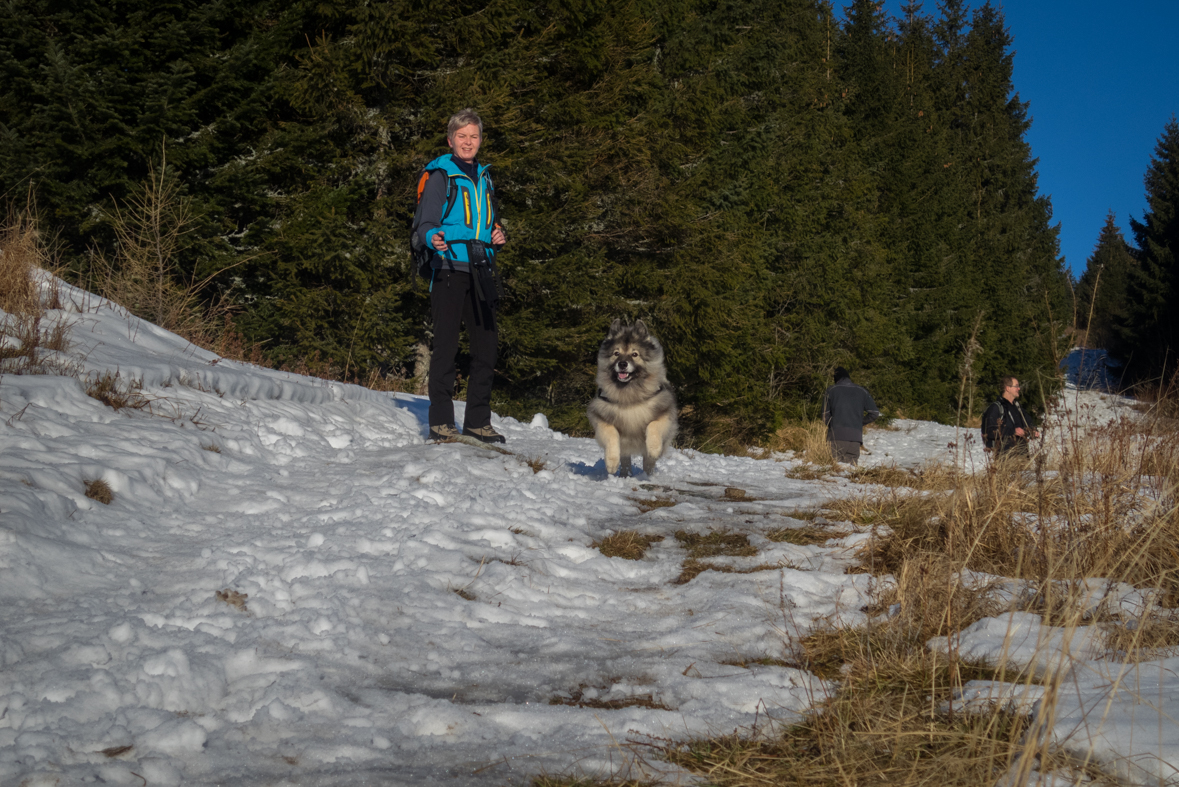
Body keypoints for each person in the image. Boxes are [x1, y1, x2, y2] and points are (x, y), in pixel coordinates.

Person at [416, 108, 507, 444]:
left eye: (474, 136)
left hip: (481, 269)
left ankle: (477, 422)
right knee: (447, 345)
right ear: (451, 139)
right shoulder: (442, 175)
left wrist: (498, 234)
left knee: (486, 348)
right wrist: (432, 238)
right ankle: (441, 422)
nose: (468, 142)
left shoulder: (484, 177)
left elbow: (489, 222)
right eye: (462, 136)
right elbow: (425, 224)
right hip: (449, 268)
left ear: (480, 140)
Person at [822, 367, 880, 465]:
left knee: (834, 471)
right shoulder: (862, 391)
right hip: (855, 438)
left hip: (836, 436)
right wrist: (859, 422)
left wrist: (832, 425)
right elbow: (874, 413)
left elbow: (824, 414)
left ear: (836, 378)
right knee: (850, 473)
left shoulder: (831, 390)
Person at [981, 376, 1040, 457]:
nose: (1019, 388)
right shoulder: (996, 408)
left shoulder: (1017, 407)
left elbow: (1028, 421)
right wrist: (1013, 431)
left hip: (1022, 456)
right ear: (1007, 388)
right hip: (1004, 458)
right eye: (1016, 386)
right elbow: (989, 431)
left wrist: (1033, 430)